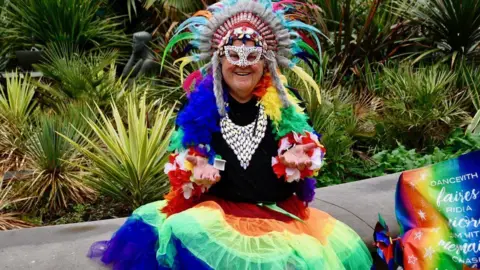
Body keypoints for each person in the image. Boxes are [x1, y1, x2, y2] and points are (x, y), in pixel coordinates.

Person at [88, 0, 373, 269]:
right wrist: (195, 169)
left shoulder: (287, 104)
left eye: (253, 56)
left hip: (276, 214)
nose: (242, 64)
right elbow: (185, 157)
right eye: (233, 55)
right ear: (218, 60)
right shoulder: (202, 106)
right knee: (179, 228)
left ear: (267, 62)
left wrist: (301, 157)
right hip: (218, 214)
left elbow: (309, 153)